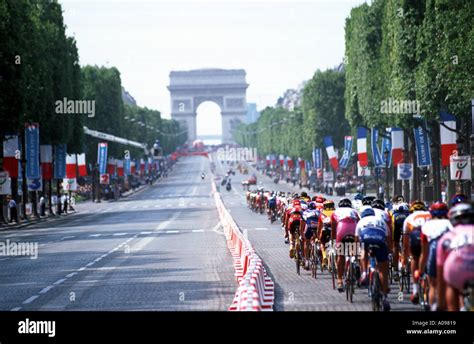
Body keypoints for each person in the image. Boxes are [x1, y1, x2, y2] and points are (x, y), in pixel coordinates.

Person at [437, 202, 473, 311]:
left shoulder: (448, 236)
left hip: (456, 269)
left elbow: (440, 269)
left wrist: (440, 301)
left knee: (451, 286)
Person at [356, 206, 391, 311]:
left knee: (363, 251)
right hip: (380, 242)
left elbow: (356, 239)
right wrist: (389, 251)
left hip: (367, 240)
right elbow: (388, 237)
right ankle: (384, 297)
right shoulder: (381, 220)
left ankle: (364, 274)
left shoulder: (361, 222)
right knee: (383, 270)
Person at [419, 202, 452, 310]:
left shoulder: (426, 225)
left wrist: (420, 271)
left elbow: (424, 253)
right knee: (450, 284)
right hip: (448, 251)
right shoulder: (450, 223)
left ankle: (433, 308)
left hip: (433, 249)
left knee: (433, 284)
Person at [402, 200, 431, 304]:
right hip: (429, 237)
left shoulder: (408, 218)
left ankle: (415, 290)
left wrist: (405, 259)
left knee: (415, 257)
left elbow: (405, 245)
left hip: (416, 236)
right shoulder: (430, 214)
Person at [331, 198, 360, 292]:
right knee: (356, 252)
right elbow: (359, 224)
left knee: (340, 255)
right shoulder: (354, 211)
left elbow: (334, 229)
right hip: (354, 229)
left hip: (342, 229)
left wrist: (333, 240)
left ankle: (339, 280)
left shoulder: (336, 212)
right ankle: (355, 267)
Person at [300, 202, 320, 270]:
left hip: (309, 227)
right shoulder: (318, 211)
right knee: (318, 239)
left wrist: (302, 234)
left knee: (306, 242)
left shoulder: (305, 212)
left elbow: (302, 224)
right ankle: (318, 251)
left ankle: (307, 260)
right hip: (317, 227)